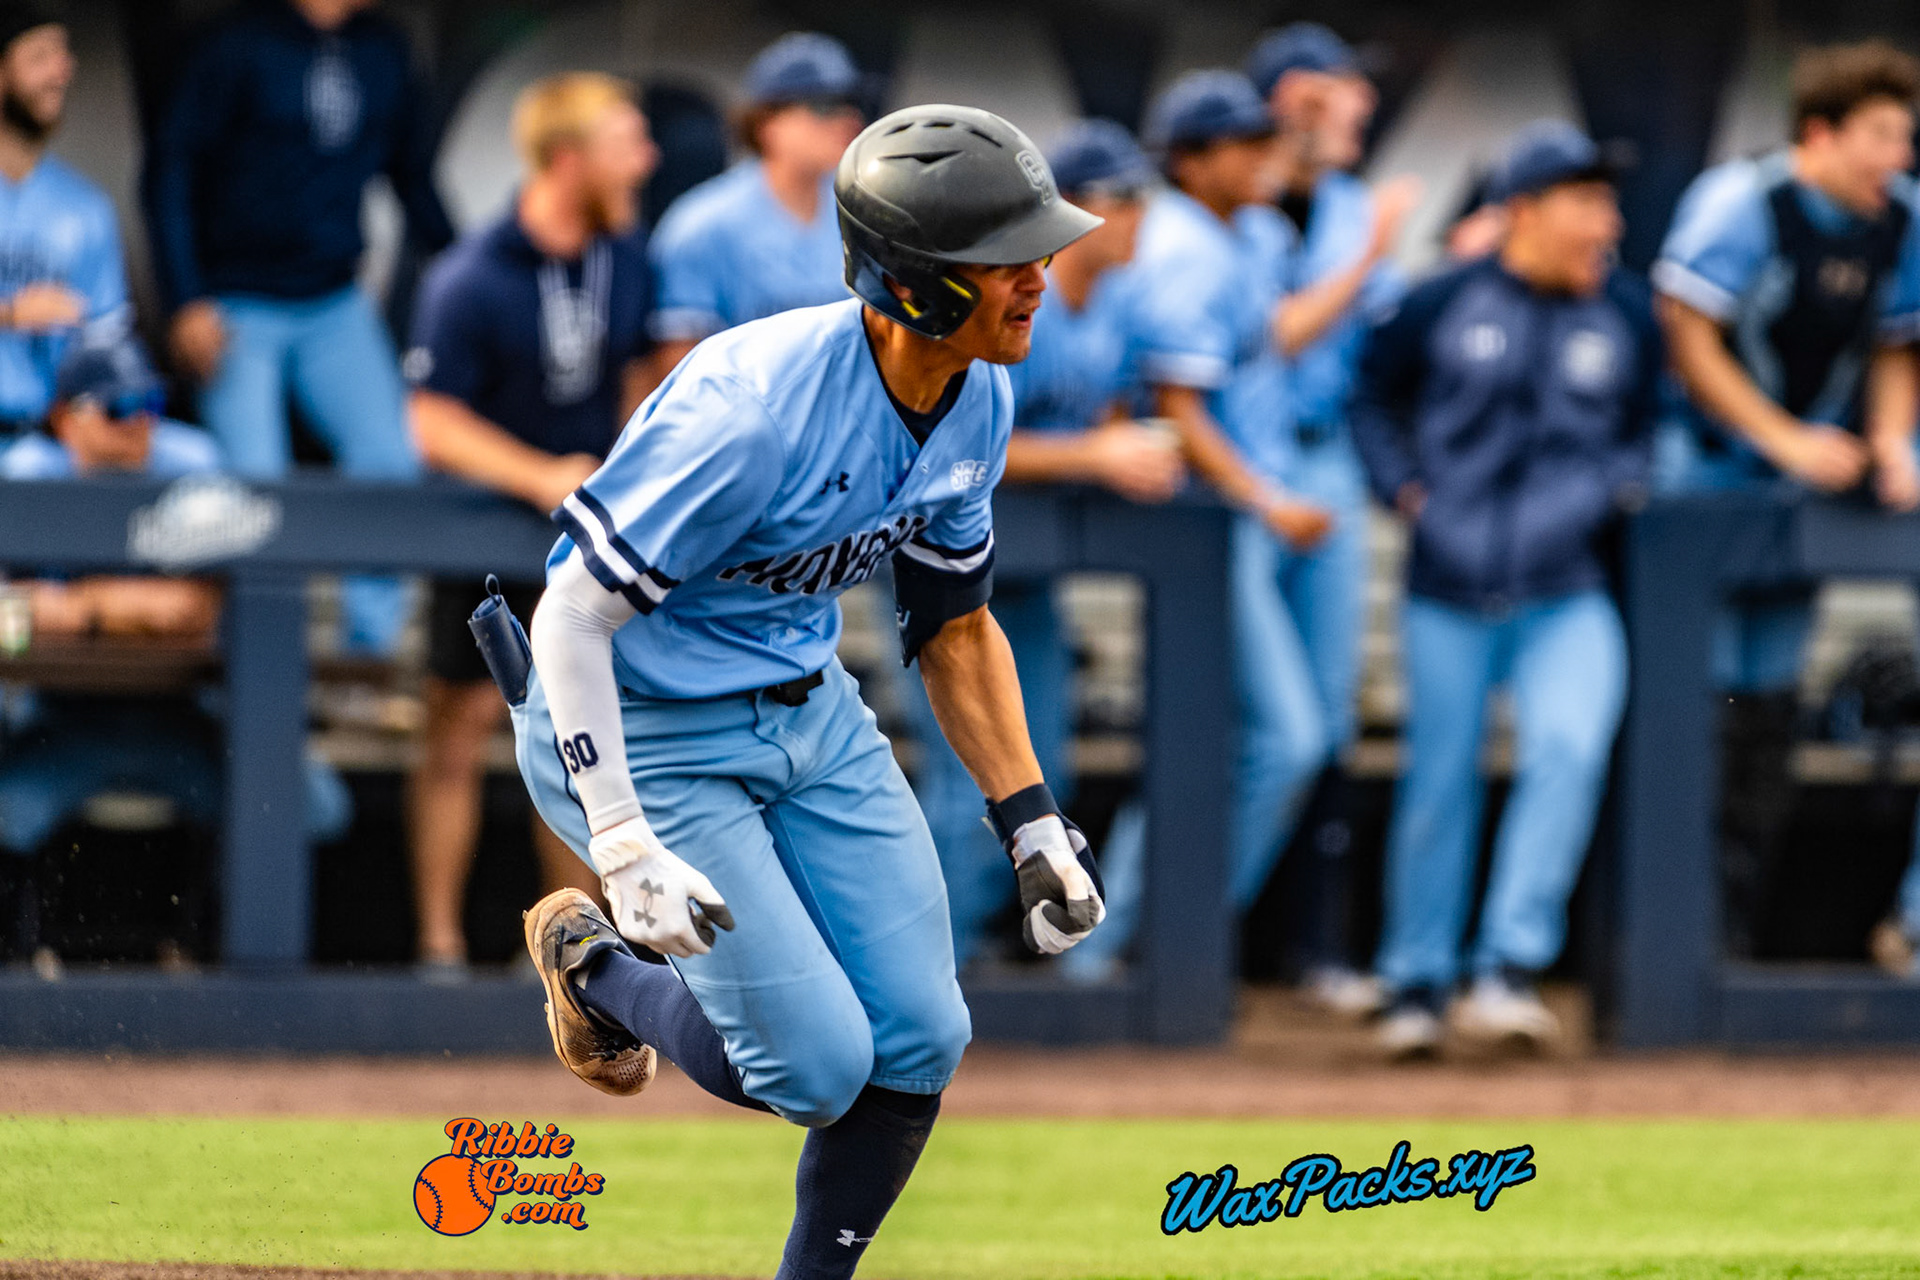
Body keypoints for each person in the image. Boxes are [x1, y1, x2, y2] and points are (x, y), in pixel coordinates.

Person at [513, 106, 1105, 1279]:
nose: (1041, 278)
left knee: (922, 1038)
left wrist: (1031, 818)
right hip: (648, 728)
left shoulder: (979, 394)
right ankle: (593, 966)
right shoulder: (752, 408)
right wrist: (618, 841)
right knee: (815, 1068)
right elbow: (571, 610)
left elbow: (954, 622)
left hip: (809, 712)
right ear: (920, 284)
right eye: (1008, 258)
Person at [1352, 121, 1660, 1057]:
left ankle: (1507, 971)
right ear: (1524, 211)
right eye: (1587, 201)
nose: (1606, 223)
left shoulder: (1627, 312)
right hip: (1446, 583)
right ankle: (1416, 981)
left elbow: (1652, 420)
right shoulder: (1441, 299)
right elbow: (1370, 396)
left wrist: (1618, 484)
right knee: (1438, 781)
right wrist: (1402, 488)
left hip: (1568, 584)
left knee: (1568, 748)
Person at [1651, 41, 1920, 961]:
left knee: (1765, 710)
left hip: (1808, 486)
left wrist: (1892, 440)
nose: (1898, 157)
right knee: (1698, 706)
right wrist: (1780, 437)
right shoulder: (1742, 203)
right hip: (1710, 469)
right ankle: (1670, 943)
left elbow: (1897, 346)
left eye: (1904, 137)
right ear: (1821, 135)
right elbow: (1688, 331)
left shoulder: (1901, 219)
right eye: (1881, 136)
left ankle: (1732, 943)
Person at [900, 119, 1184, 973]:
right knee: (961, 782)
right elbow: (958, 438)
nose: (1137, 216)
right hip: (938, 550)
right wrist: (1094, 454)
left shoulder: (1119, 302)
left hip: (1028, 568)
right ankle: (922, 966)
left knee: (1034, 772)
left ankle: (969, 953)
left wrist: (1116, 446)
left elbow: (1104, 416)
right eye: (1122, 199)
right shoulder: (1016, 300)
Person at [1068, 70, 1333, 976]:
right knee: (1281, 741)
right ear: (1189, 158)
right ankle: (1132, 944)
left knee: (1222, 743)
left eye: (1265, 139)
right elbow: (1177, 404)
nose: (1263, 156)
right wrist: (1266, 498)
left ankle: (1138, 944)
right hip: (1208, 524)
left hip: (1248, 514)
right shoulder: (1179, 245)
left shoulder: (1245, 232)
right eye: (1241, 144)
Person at [403, 73, 660, 974]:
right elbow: (433, 422)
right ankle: (439, 951)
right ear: (568, 158)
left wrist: (618, 466)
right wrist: (540, 476)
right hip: (483, 538)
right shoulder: (470, 275)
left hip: (587, 544)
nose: (646, 161)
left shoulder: (627, 259)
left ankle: (582, 969)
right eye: (626, 143)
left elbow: (641, 372)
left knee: (579, 743)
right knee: (459, 725)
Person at [0, 339, 351, 976]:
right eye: (117, 407)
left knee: (313, 805)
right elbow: (5, 622)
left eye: (150, 402)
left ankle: (211, 961)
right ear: (65, 420)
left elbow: (192, 614)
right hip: (64, 722)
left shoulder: (189, 461)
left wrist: (73, 608)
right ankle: (25, 966)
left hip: (176, 719)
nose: (139, 421)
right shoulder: (26, 473)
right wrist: (115, 609)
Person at [143, 0, 455, 655]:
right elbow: (170, 168)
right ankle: (259, 665)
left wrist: (467, 265)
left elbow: (413, 178)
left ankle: (367, 660)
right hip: (237, 302)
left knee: (390, 462)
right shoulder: (236, 42)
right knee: (254, 486)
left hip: (333, 299)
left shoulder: (382, 47)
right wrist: (185, 299)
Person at [1248, 22, 1418, 1010]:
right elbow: (1274, 334)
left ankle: (1317, 948)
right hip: (1242, 468)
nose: (1359, 107)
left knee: (1327, 719)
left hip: (1328, 460)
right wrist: (1371, 259)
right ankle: (1182, 943)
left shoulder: (1350, 203)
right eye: (1339, 91)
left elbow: (1381, 340)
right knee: (1257, 721)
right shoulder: (1238, 201)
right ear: (1294, 102)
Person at [646, 32, 866, 370]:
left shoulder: (864, 213)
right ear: (767, 122)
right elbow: (681, 369)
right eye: (823, 106)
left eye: (852, 103)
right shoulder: (701, 224)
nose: (847, 119)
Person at [0, 4, 129, 437]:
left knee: (195, 458)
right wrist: (10, 313)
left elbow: (106, 339)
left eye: (63, 56)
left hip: (53, 433)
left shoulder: (84, 206)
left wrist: (120, 420)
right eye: (39, 57)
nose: (60, 72)